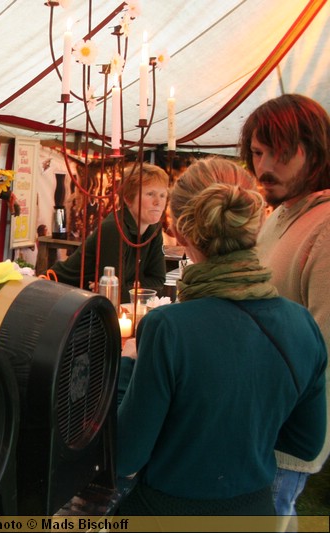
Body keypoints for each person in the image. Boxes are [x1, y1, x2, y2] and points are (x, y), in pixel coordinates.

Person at [116, 158, 327, 517]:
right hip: (254, 512)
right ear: (257, 225)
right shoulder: (301, 324)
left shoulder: (168, 328)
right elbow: (306, 444)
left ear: (181, 232)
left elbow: (124, 455)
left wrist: (127, 366)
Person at [239, 93, 330, 521]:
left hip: (283, 431)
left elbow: (322, 344)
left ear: (315, 149)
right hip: (254, 417)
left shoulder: (326, 225)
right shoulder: (280, 214)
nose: (265, 166)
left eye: (281, 151)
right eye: (258, 152)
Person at [47, 163, 169, 302]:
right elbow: (114, 293)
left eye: (162, 195)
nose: (158, 202)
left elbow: (158, 282)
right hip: (59, 296)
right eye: (150, 194)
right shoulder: (115, 228)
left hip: (87, 302)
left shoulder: (154, 229)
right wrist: (136, 287)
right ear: (128, 198)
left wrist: (129, 288)